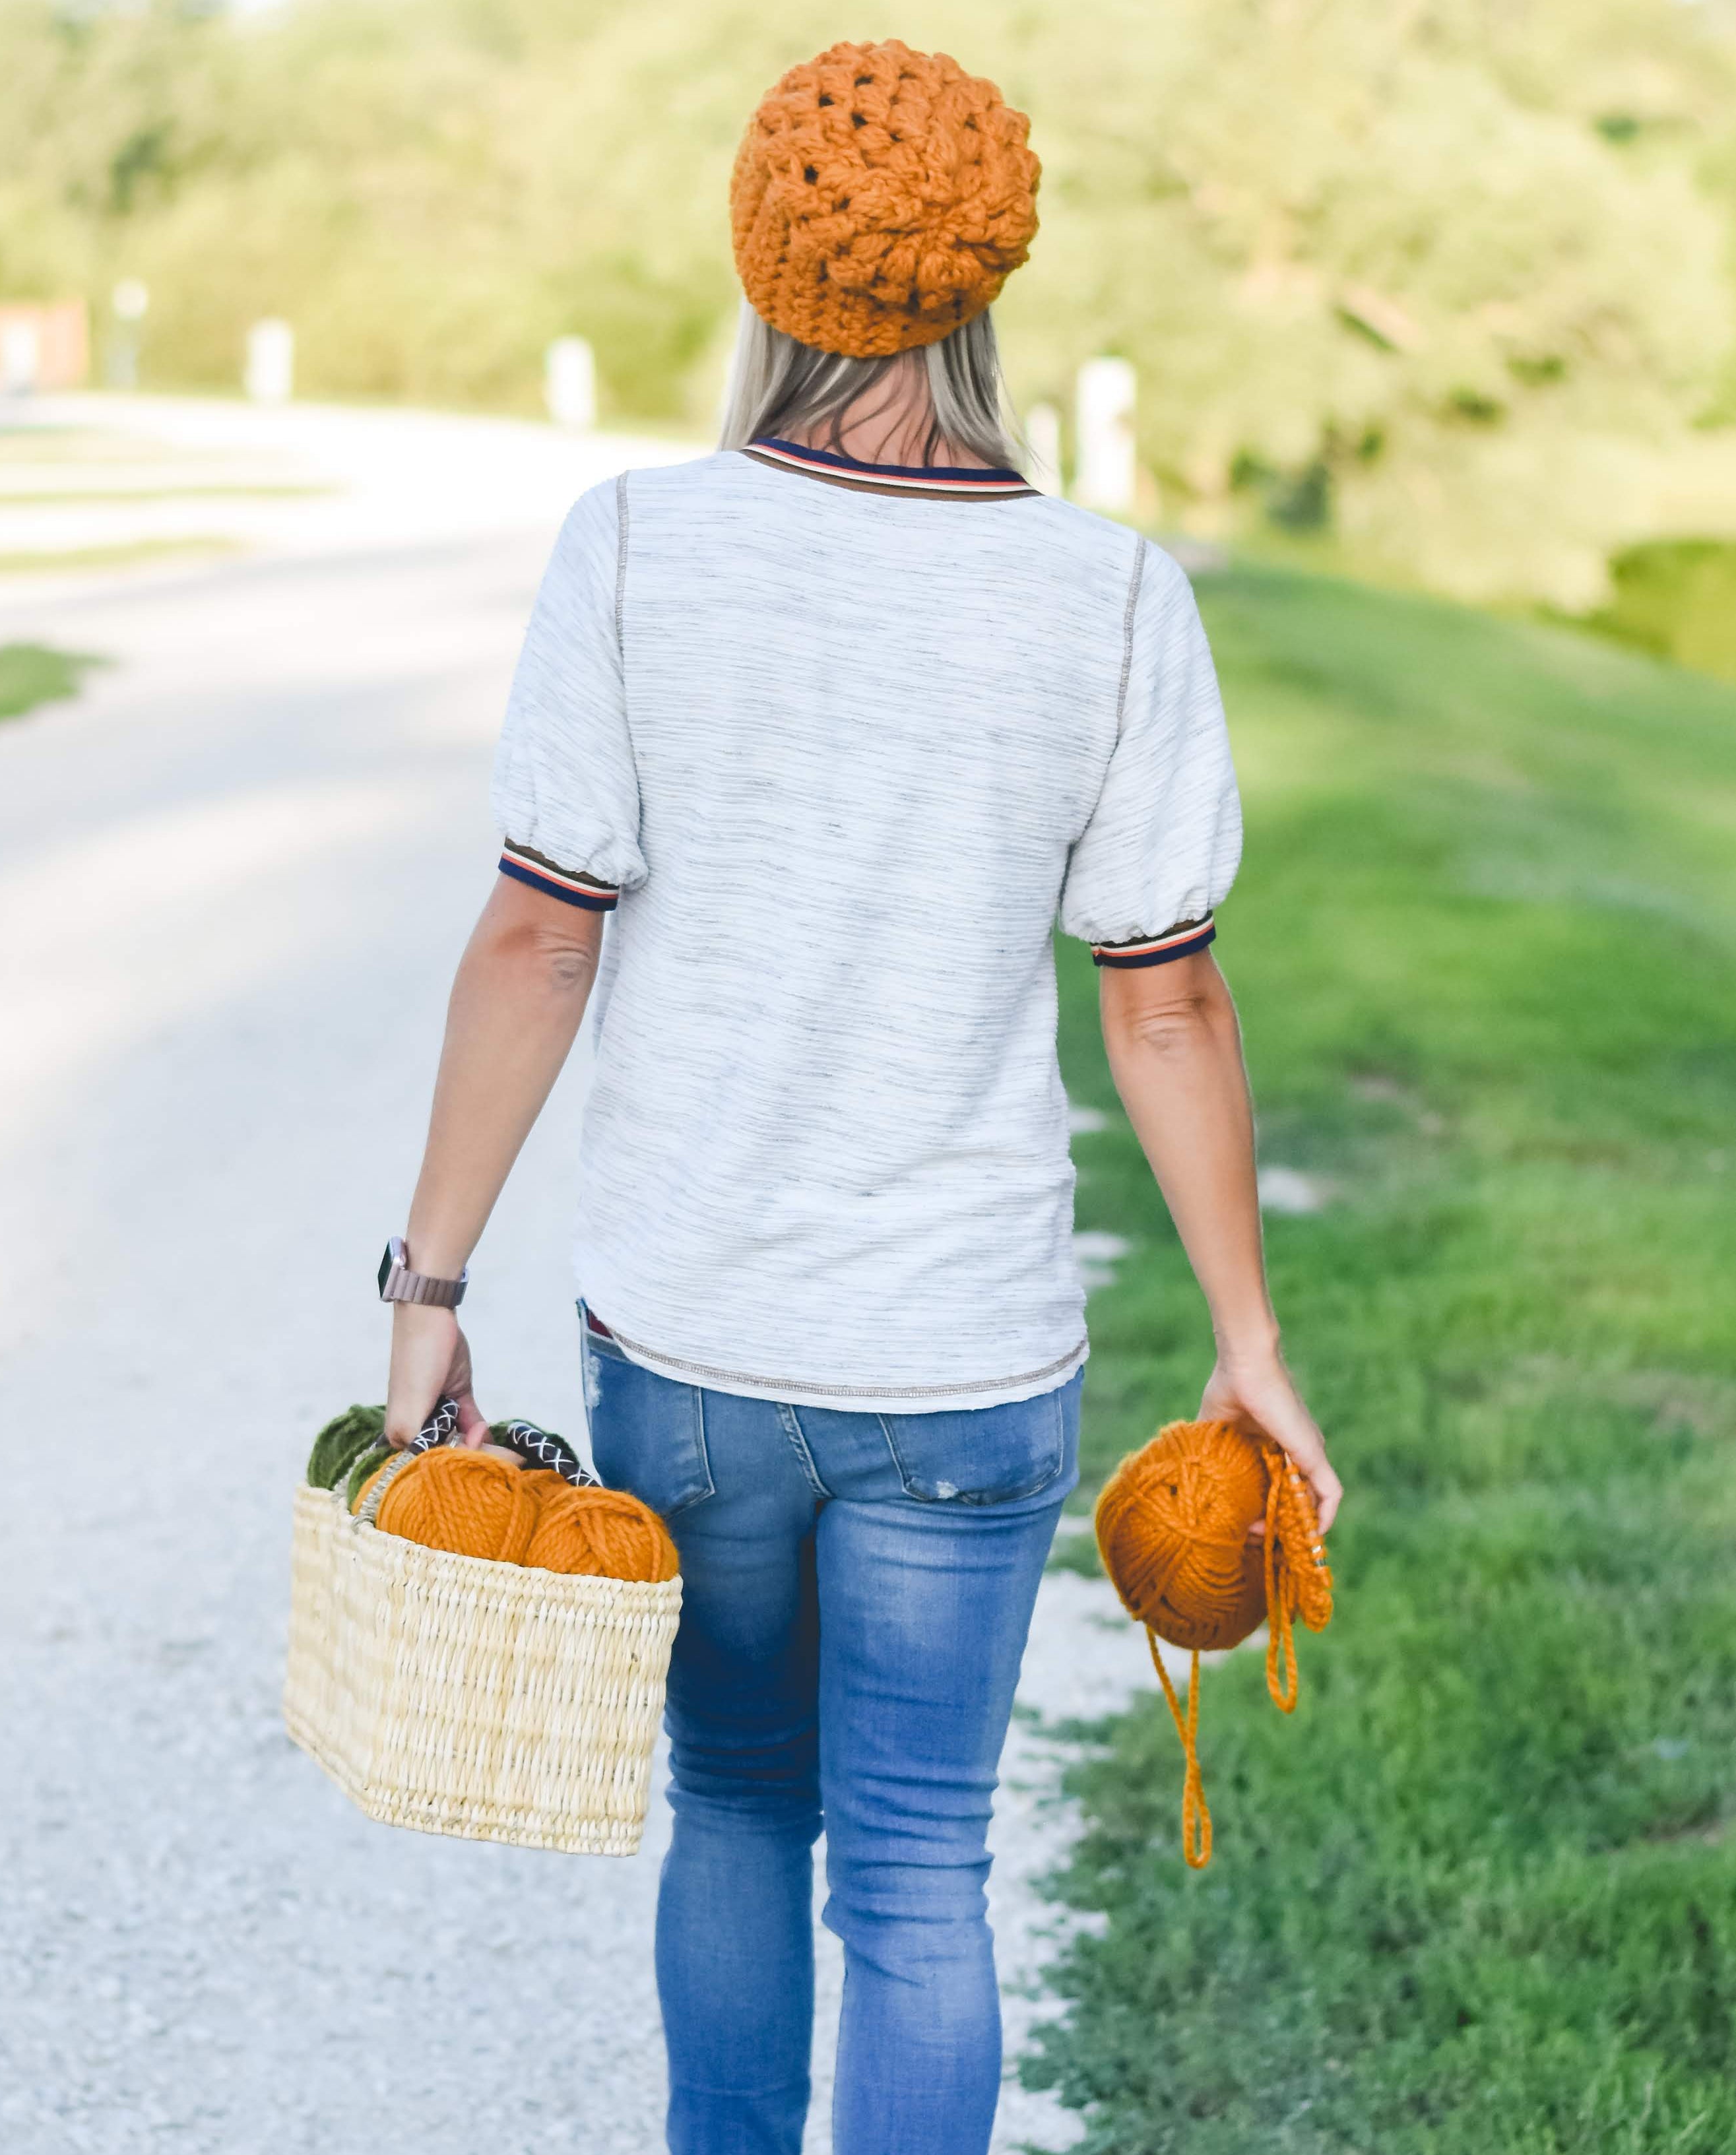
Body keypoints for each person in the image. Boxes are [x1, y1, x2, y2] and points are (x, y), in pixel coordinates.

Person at [377, 38, 1344, 2155]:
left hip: (692, 1343)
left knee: (731, 1800)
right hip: (963, 1359)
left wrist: (427, 1281)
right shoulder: (1109, 598)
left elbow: (542, 937)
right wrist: (1248, 1344)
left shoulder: (634, 546)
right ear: (987, 272)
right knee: (918, 1867)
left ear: (766, 263)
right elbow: (1163, 1006)